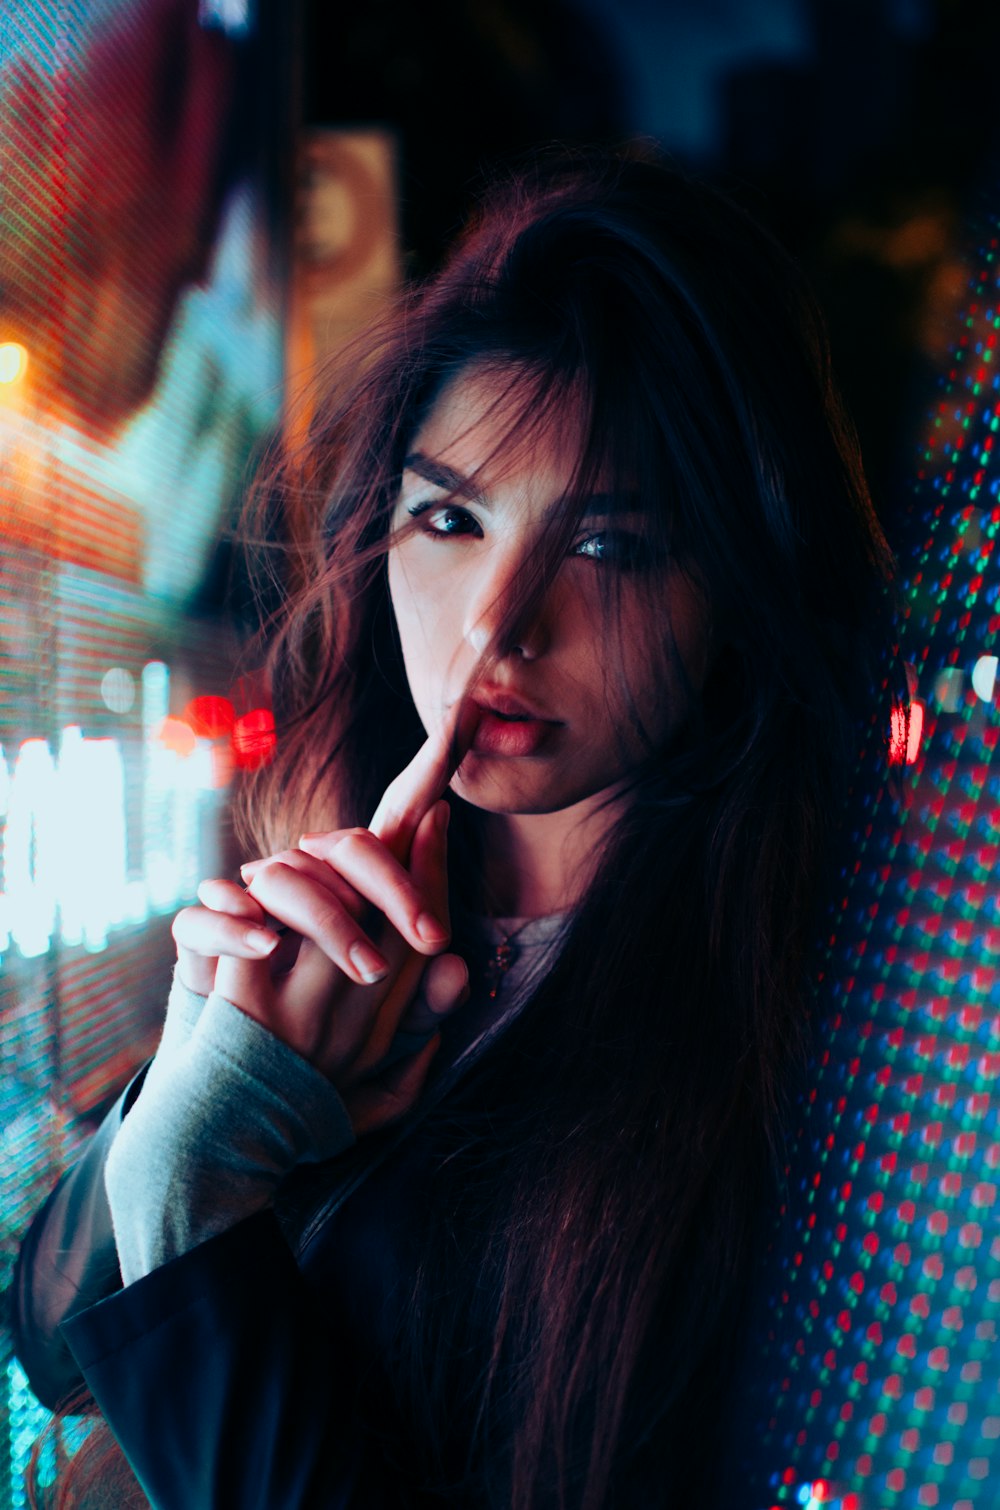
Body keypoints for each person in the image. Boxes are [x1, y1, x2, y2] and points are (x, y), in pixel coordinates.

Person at [13, 148, 902, 1508]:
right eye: (450, 518)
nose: (498, 623)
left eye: (609, 545)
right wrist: (199, 1073)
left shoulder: (804, 1049)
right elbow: (51, 1339)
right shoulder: (347, 896)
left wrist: (201, 1195)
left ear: (740, 579)